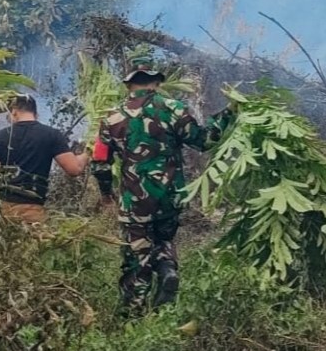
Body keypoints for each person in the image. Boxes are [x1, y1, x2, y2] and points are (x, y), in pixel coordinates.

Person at [92, 56, 236, 311]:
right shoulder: (174, 109)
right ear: (156, 83)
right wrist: (229, 114)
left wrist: (106, 194)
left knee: (136, 257)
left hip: (134, 201)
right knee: (163, 239)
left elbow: (100, 161)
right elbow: (204, 141)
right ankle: (168, 269)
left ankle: (132, 314)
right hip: (171, 197)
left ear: (129, 85)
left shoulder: (112, 118)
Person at [0, 94, 86, 224]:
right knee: (32, 242)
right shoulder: (51, 135)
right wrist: (88, 154)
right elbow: (74, 169)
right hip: (33, 208)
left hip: (3, 209)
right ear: (36, 114)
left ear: (14, 112)